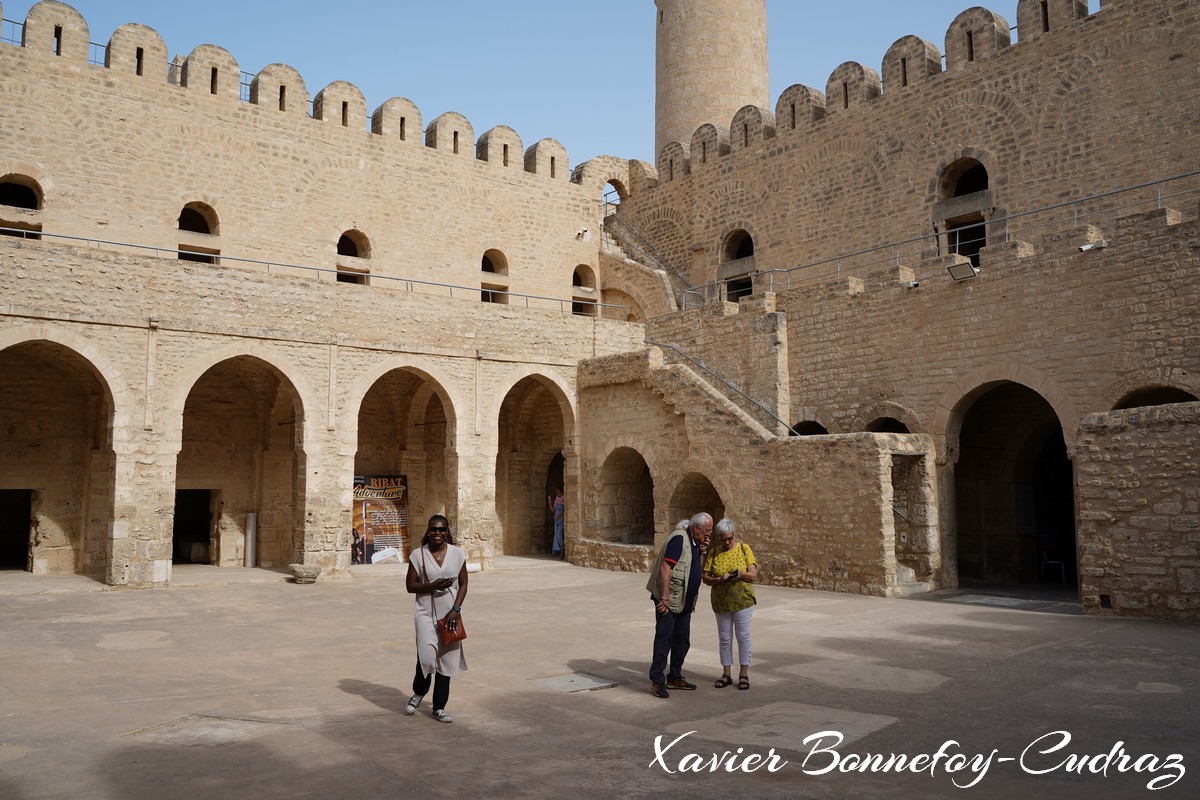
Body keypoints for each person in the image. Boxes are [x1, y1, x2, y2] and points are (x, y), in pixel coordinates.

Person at [404, 515, 468, 723]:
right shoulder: (418, 555)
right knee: (426, 657)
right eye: (433, 529)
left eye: (441, 530)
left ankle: (439, 707)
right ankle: (419, 692)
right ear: (428, 531)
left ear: (447, 532)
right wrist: (433, 585)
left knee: (447, 661)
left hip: (450, 614)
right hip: (425, 613)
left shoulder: (457, 554)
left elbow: (464, 584)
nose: (437, 533)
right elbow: (410, 586)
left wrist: (456, 609)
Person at [646, 512, 713, 698]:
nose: (708, 535)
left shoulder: (693, 543)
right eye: (706, 531)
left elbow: (696, 569)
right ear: (696, 527)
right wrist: (664, 599)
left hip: (684, 601)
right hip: (670, 600)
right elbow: (665, 567)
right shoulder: (679, 539)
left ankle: (674, 676)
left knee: (682, 640)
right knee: (664, 640)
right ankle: (657, 681)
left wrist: (702, 551)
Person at [701, 518, 758, 690]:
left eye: (729, 538)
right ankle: (726, 673)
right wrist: (718, 579)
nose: (727, 542)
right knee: (725, 638)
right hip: (721, 603)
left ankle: (744, 673)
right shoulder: (714, 553)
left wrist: (739, 574)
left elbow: (753, 574)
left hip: (742, 600)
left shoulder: (743, 548)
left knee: (743, 636)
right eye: (723, 539)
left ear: (734, 536)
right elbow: (705, 577)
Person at [548, 486, 565, 558]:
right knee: (556, 536)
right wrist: (549, 503)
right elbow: (553, 510)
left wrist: (559, 517)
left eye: (558, 491)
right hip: (556, 520)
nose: (557, 493)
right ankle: (560, 552)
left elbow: (565, 511)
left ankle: (562, 551)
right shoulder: (557, 499)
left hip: (561, 519)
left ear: (561, 492)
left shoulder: (564, 498)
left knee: (559, 535)